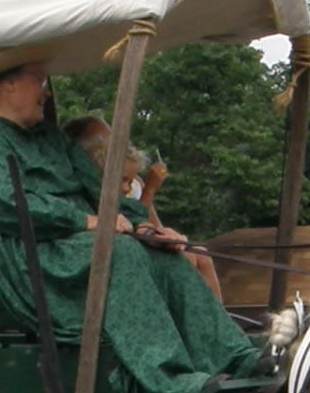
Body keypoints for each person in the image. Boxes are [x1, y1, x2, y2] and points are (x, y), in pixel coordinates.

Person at [0, 50, 260, 393]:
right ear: (8, 83)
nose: (46, 92)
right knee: (118, 253)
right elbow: (6, 207)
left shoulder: (50, 140)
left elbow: (100, 190)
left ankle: (238, 357)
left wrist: (147, 228)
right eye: (39, 80)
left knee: (168, 256)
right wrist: (85, 221)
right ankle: (167, 383)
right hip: (5, 249)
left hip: (60, 241)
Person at [62, 115, 223, 301]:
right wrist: (150, 191)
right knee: (187, 259)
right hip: (121, 246)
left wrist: (164, 234)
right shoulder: (87, 185)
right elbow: (127, 220)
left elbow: (146, 220)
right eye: (105, 144)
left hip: (141, 237)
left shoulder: (132, 182)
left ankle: (220, 321)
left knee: (200, 254)